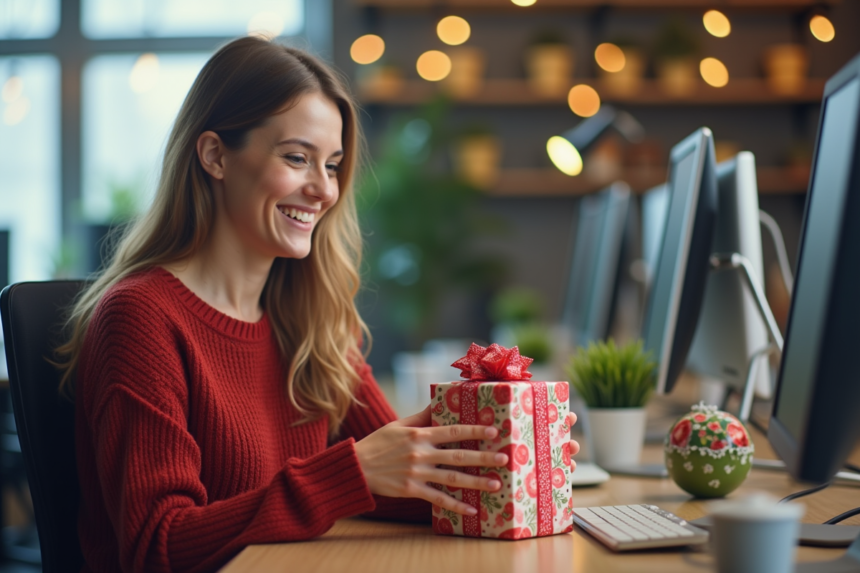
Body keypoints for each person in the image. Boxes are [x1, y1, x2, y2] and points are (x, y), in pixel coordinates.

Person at [57, 37, 580, 573]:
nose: (323, 190)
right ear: (214, 154)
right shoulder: (141, 318)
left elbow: (391, 484)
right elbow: (156, 547)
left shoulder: (309, 317)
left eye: (332, 165)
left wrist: (513, 475)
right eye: (296, 158)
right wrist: (352, 472)